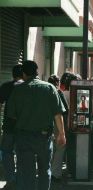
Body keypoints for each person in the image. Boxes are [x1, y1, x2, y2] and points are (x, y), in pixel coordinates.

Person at [7, 60, 66, 190]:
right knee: (45, 169)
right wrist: (61, 134)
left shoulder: (18, 90)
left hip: (23, 137)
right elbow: (58, 114)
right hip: (43, 137)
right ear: (37, 71)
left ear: (23, 74)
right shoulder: (49, 88)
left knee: (27, 172)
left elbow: (12, 115)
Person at [0, 64, 23, 190]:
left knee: (7, 153)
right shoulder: (28, 87)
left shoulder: (6, 86)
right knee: (22, 153)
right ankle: (20, 179)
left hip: (8, 127)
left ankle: (10, 178)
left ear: (13, 74)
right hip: (24, 128)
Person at [48, 75, 69, 181]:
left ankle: (48, 171)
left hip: (47, 123)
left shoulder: (44, 91)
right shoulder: (58, 92)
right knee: (60, 148)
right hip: (58, 123)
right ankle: (55, 173)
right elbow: (65, 110)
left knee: (51, 148)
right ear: (57, 83)